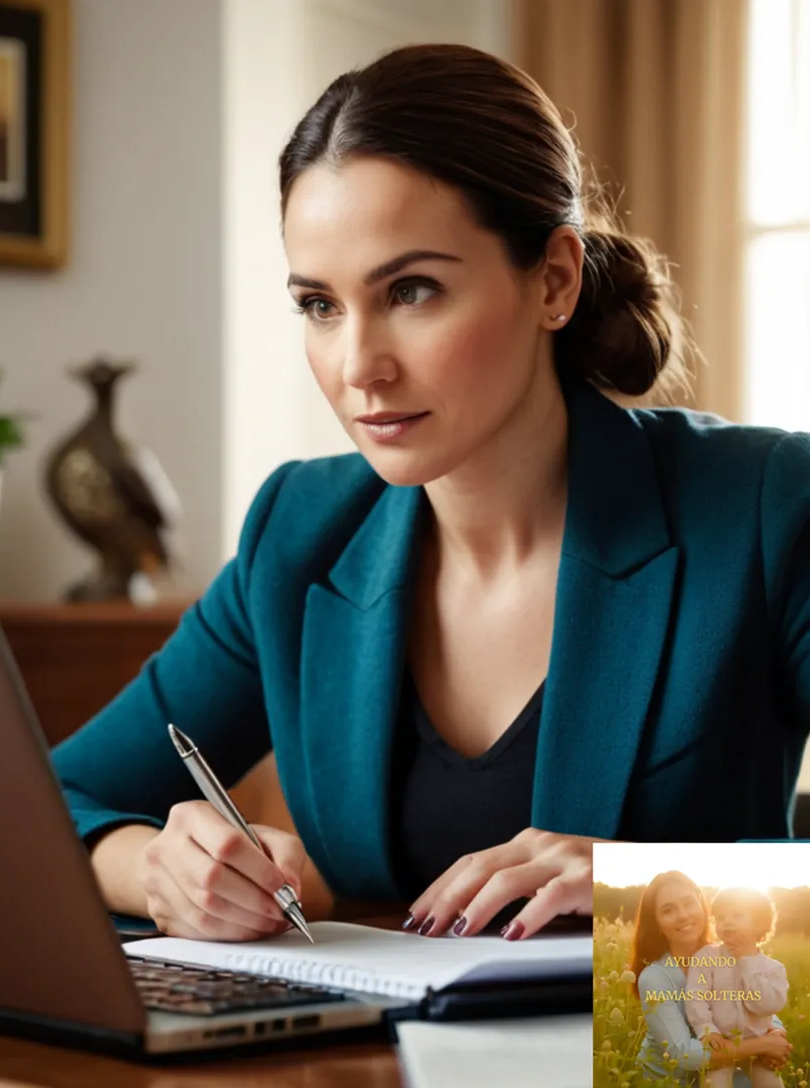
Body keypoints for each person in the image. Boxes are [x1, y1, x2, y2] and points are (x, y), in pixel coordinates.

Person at [50, 43, 810, 947]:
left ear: (554, 281)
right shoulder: (298, 533)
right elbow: (54, 797)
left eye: (411, 291)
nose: (358, 366)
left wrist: (641, 886)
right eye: (320, 306)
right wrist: (160, 872)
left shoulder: (764, 506)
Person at [630, 873, 792, 1085]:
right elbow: (682, 1054)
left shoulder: (729, 953)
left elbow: (751, 1000)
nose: (683, 915)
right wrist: (763, 1045)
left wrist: (776, 1032)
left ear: (702, 906)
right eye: (668, 910)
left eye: (689, 903)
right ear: (657, 923)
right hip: (670, 1079)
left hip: (723, 1064)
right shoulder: (655, 977)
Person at [684, 887, 789, 1087]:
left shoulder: (773, 969)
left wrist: (747, 962)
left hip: (759, 1048)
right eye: (720, 917)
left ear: (759, 923)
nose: (727, 922)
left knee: (771, 1083)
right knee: (714, 1083)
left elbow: (767, 1006)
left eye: (737, 915)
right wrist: (707, 1030)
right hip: (722, 1043)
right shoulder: (706, 958)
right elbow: (696, 997)